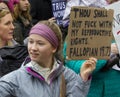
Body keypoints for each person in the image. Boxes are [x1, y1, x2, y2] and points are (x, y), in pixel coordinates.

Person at [0, 20, 97, 97]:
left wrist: (83, 78)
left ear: (54, 47)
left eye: (40, 43)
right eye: (31, 41)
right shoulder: (14, 80)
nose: (33, 48)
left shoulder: (68, 76)